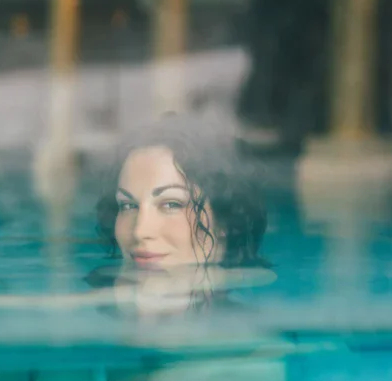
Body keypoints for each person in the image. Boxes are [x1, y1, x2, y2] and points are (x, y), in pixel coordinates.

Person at [86, 111, 276, 315]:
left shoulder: (258, 338)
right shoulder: (96, 311)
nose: (140, 231)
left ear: (225, 219)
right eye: (128, 206)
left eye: (171, 204)